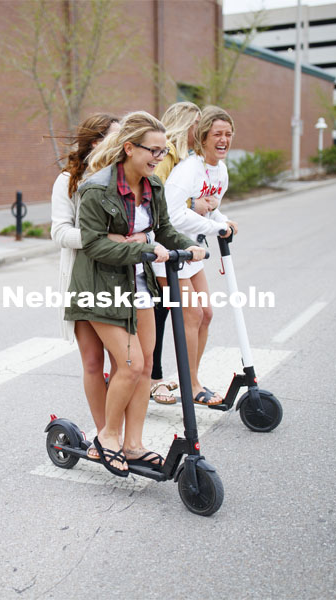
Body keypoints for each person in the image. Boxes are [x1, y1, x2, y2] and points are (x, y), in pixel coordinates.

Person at [65, 111, 206, 477]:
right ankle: (108, 437)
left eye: (163, 152)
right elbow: (94, 245)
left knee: (144, 368)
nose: (159, 158)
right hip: (100, 288)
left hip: (139, 285)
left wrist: (189, 246)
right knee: (131, 365)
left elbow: (164, 230)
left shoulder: (153, 186)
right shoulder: (96, 189)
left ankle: (134, 444)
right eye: (154, 151)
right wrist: (141, 248)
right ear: (129, 148)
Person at [50, 113, 125, 460]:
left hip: (118, 278)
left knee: (122, 362)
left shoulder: (123, 179)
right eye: (116, 136)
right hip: (82, 277)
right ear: (96, 142)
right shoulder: (68, 180)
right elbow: (59, 232)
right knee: (93, 362)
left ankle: (116, 434)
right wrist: (99, 239)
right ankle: (103, 435)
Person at [162, 105, 239, 406]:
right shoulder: (187, 171)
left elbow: (212, 205)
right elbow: (171, 214)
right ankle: (189, 385)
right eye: (217, 134)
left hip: (193, 251)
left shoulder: (219, 170)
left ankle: (193, 379)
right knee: (191, 315)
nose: (223, 140)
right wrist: (213, 226)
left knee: (206, 313)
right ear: (203, 137)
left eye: (228, 134)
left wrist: (224, 220)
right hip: (170, 251)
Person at [147, 101, 210, 405]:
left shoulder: (188, 157)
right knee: (162, 315)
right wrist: (191, 206)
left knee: (195, 313)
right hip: (164, 246)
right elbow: (158, 201)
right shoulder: (167, 154)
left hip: (183, 245)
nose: (202, 128)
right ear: (186, 123)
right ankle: (160, 379)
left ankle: (186, 380)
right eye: (198, 122)